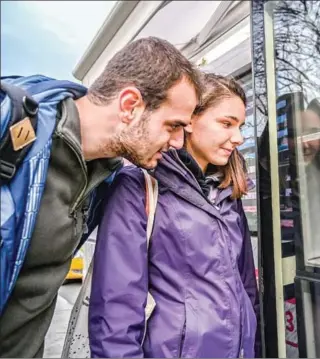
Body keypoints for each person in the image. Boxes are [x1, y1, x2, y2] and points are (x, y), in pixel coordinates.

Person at [0, 37, 201, 358]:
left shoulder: (106, 175)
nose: (178, 142)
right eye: (172, 125)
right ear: (129, 105)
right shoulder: (14, 134)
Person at [88, 73, 259, 358]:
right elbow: (116, 309)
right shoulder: (138, 187)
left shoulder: (229, 191)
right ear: (190, 120)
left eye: (241, 126)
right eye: (226, 124)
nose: (238, 138)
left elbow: (246, 289)